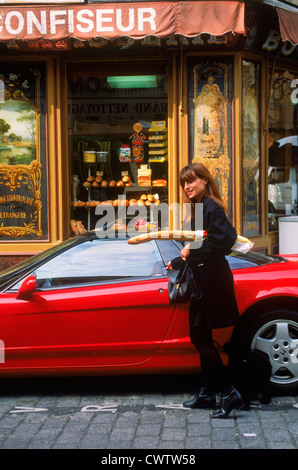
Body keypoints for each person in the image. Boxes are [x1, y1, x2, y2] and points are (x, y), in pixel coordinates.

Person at [167, 163, 243, 419]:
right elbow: (200, 244)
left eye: (191, 181)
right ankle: (207, 394)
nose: (187, 186)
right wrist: (178, 261)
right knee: (201, 336)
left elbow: (225, 241)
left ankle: (228, 392)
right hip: (205, 279)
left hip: (211, 281)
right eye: (184, 183)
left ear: (204, 180)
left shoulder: (210, 205)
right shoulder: (201, 207)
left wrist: (191, 251)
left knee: (199, 338)